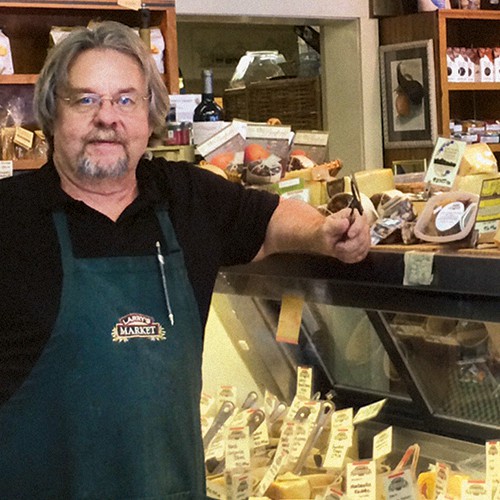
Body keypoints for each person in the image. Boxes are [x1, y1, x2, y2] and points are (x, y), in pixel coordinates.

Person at [0, 21, 370, 499]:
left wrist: (323, 231)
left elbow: (273, 216)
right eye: (85, 99)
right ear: (52, 111)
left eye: (126, 100)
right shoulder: (9, 217)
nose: (107, 117)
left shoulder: (184, 197)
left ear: (150, 114)